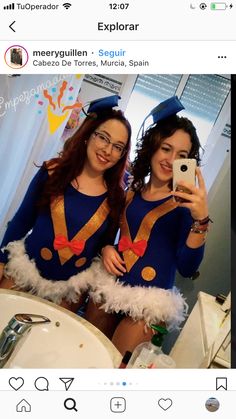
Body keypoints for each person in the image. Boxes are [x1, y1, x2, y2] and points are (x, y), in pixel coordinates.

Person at [84, 96, 210, 355]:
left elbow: (187, 267)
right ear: (153, 147)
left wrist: (201, 220)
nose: (171, 159)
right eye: (166, 148)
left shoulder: (185, 203)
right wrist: (108, 247)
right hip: (111, 287)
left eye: (182, 155)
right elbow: (107, 233)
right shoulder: (131, 189)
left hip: (149, 306)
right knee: (88, 353)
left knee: (120, 370)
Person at [0, 95, 131, 312]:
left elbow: (105, 244)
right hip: (23, 274)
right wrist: (1, 260)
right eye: (103, 138)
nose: (108, 151)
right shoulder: (52, 171)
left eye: (118, 147)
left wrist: (109, 247)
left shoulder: (117, 197)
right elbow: (22, 220)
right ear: (88, 136)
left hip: (69, 294)